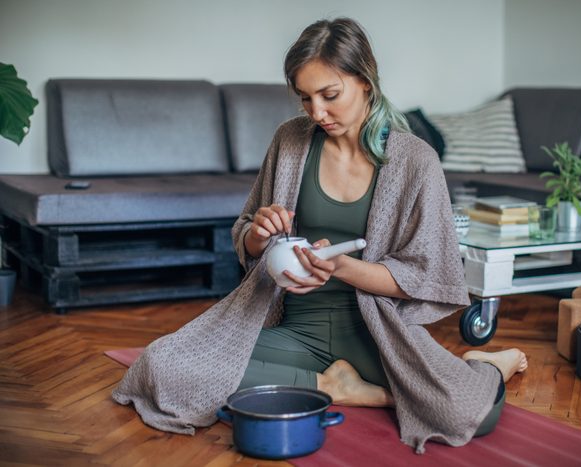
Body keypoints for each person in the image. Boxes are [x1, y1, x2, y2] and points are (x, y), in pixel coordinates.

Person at [113, 17, 527, 453]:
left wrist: (344, 268)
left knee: (467, 413)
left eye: (330, 96)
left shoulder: (415, 161)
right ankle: (333, 385)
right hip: (293, 327)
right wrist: (259, 232)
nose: (317, 113)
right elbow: (247, 237)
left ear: (366, 81)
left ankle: (488, 365)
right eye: (305, 98)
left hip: (372, 331)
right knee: (162, 366)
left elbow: (426, 275)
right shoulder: (290, 141)